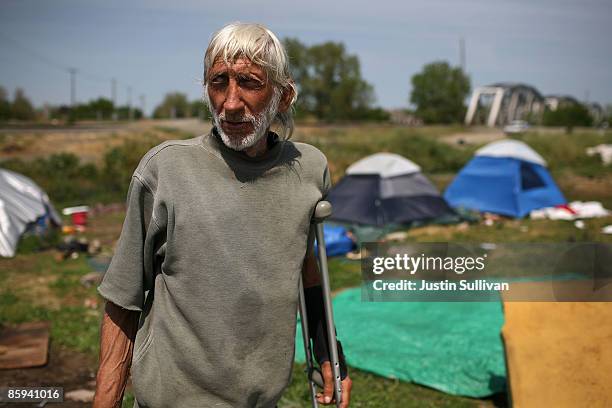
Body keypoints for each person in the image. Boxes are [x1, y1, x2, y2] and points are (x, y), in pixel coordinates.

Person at [93, 22, 352, 408]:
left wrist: (327, 345)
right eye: (218, 83)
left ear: (283, 96)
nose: (230, 103)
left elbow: (306, 265)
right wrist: (105, 401)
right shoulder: (165, 169)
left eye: (249, 82)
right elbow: (123, 297)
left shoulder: (310, 169)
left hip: (261, 399)